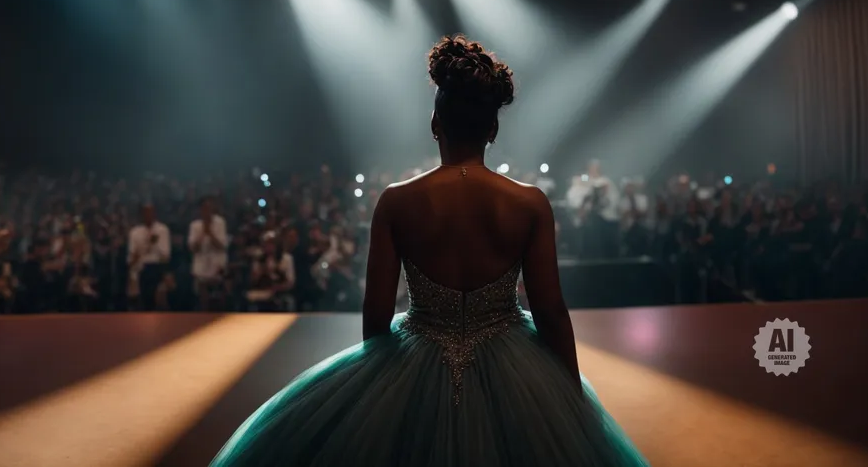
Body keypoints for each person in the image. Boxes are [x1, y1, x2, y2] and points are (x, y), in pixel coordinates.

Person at [210, 35, 647, 466]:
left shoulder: (397, 201)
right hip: (516, 363)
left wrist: (378, 389)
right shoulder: (529, 202)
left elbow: (377, 310)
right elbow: (550, 309)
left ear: (435, 124)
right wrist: (568, 395)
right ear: (492, 128)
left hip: (416, 354)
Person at [127, 204, 170, 311]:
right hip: (141, 270)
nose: (148, 215)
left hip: (158, 268)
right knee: (143, 304)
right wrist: (146, 245)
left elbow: (166, 255)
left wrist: (154, 244)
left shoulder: (162, 230)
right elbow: (131, 259)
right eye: (146, 213)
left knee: (159, 303)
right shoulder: (135, 232)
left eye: (151, 212)